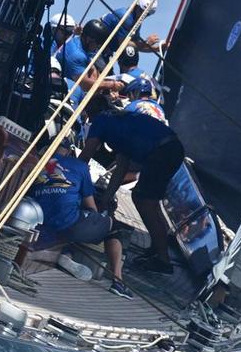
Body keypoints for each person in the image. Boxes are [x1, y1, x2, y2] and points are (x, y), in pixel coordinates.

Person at [79, 99, 185, 274]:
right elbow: (121, 168)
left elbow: (85, 158)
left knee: (143, 200)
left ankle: (163, 261)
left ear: (89, 113)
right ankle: (159, 246)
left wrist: (69, 178)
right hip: (172, 147)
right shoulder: (118, 120)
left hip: (162, 151)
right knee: (151, 200)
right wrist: (105, 199)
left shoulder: (100, 121)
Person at [30, 140, 133, 298]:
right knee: (114, 227)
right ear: (68, 151)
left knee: (70, 214)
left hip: (37, 220)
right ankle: (118, 282)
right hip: (68, 223)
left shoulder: (35, 161)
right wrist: (98, 218)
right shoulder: (79, 166)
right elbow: (91, 206)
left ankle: (66, 252)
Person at [57, 18, 109, 85]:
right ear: (89, 40)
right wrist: (110, 85)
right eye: (98, 44)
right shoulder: (77, 55)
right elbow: (84, 84)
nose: (97, 48)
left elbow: (92, 68)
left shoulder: (77, 41)